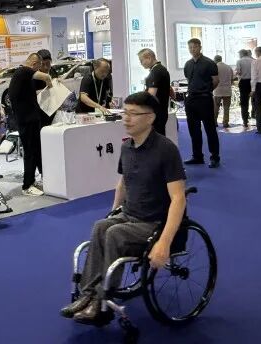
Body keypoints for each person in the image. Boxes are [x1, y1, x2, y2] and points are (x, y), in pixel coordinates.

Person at [60, 92, 186, 324]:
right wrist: (113, 211)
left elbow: (178, 198)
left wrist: (165, 242)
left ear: (150, 117)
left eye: (133, 114)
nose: (126, 118)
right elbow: (123, 183)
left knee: (114, 234)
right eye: (125, 113)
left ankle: (102, 301)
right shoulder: (127, 147)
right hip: (130, 214)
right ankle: (89, 295)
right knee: (101, 226)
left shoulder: (166, 150)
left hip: (154, 221)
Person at [8, 53, 52, 196]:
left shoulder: (22, 76)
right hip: (27, 120)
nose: (39, 69)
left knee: (37, 150)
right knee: (30, 152)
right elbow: (46, 77)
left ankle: (40, 178)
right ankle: (27, 185)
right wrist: (50, 83)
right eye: (39, 66)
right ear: (34, 64)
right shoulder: (24, 71)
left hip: (30, 119)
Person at [182, 39, 220, 168]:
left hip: (205, 99)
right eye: (190, 47)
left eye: (195, 47)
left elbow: (216, 80)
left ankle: (214, 157)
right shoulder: (188, 64)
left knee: (210, 129)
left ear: (200, 47)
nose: (192, 49)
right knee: (194, 130)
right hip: (191, 100)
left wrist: (206, 90)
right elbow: (190, 80)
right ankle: (197, 156)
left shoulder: (209, 63)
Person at [137, 49, 171, 135]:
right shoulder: (161, 69)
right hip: (161, 112)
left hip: (156, 113)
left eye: (141, 60)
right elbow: (171, 91)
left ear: (149, 58)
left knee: (155, 139)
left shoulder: (156, 71)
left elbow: (151, 96)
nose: (141, 63)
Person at [36, 49, 56, 128]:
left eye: (48, 64)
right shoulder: (34, 76)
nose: (45, 67)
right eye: (42, 64)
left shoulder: (53, 71)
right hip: (39, 114)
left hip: (53, 110)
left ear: (51, 61)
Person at [213, 55, 234, 129]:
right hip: (227, 90)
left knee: (216, 107)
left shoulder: (215, 67)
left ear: (215, 60)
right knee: (226, 108)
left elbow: (213, 79)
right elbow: (232, 79)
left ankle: (214, 122)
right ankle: (225, 123)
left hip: (217, 90)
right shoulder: (228, 67)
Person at [235, 49, 253, 128]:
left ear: (241, 54)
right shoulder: (253, 61)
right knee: (255, 101)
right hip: (252, 81)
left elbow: (238, 72)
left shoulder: (239, 61)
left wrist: (236, 73)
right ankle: (256, 116)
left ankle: (245, 120)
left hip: (243, 82)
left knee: (244, 102)